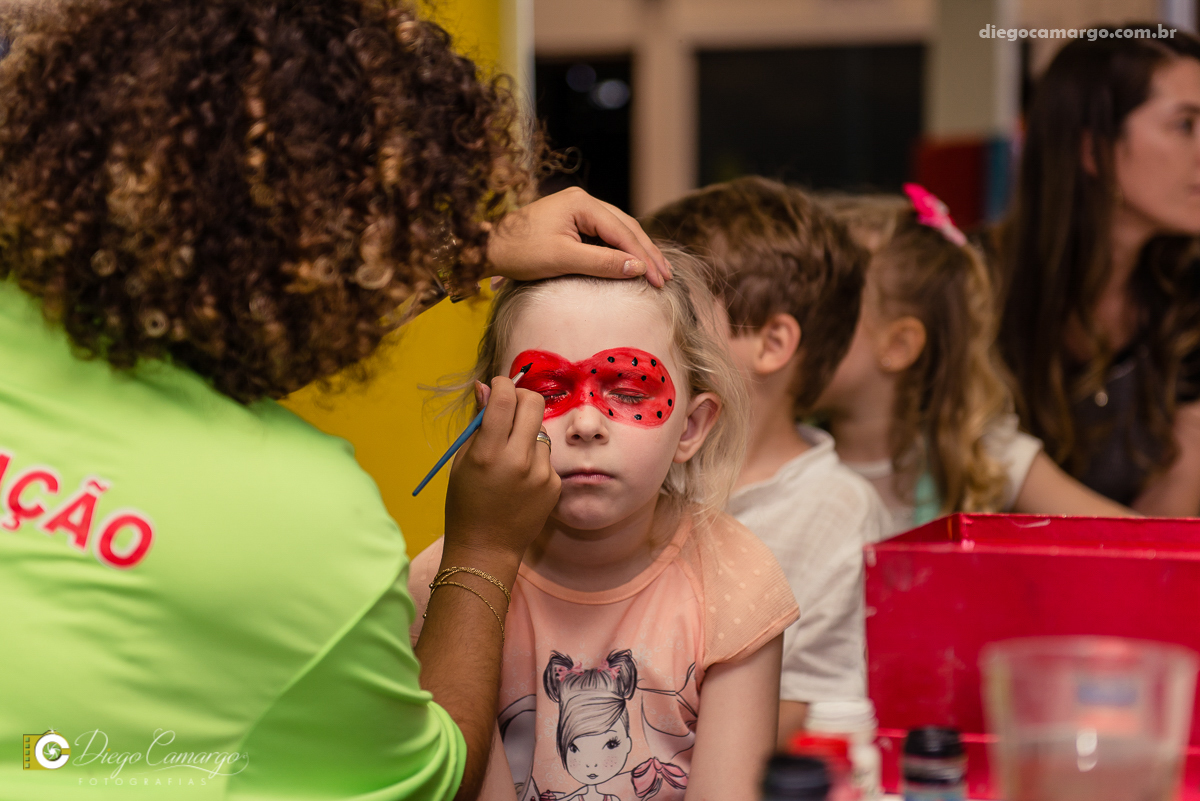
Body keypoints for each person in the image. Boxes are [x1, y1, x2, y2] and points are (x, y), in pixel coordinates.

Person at [0, 0, 670, 798]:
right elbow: (433, 774)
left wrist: (469, 250)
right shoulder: (307, 524)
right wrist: (485, 549)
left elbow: (167, 374)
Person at [408, 255, 799, 800]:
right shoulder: (443, 587)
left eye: (630, 391)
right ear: (490, 417)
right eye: (546, 392)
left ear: (691, 426)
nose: (586, 424)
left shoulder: (736, 583)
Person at [641, 177, 890, 749]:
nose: (652, 331)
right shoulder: (646, 465)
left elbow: (806, 711)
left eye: (681, 310)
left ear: (772, 343)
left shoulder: (836, 512)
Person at [816, 188, 1132, 535]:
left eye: (823, 306)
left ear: (899, 344)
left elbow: (1137, 541)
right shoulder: (787, 457)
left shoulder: (982, 457)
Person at [997, 26, 1200, 514]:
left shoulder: (1189, 295)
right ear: (1093, 150)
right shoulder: (971, 284)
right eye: (1186, 126)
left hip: (1128, 580)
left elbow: (1167, 537)